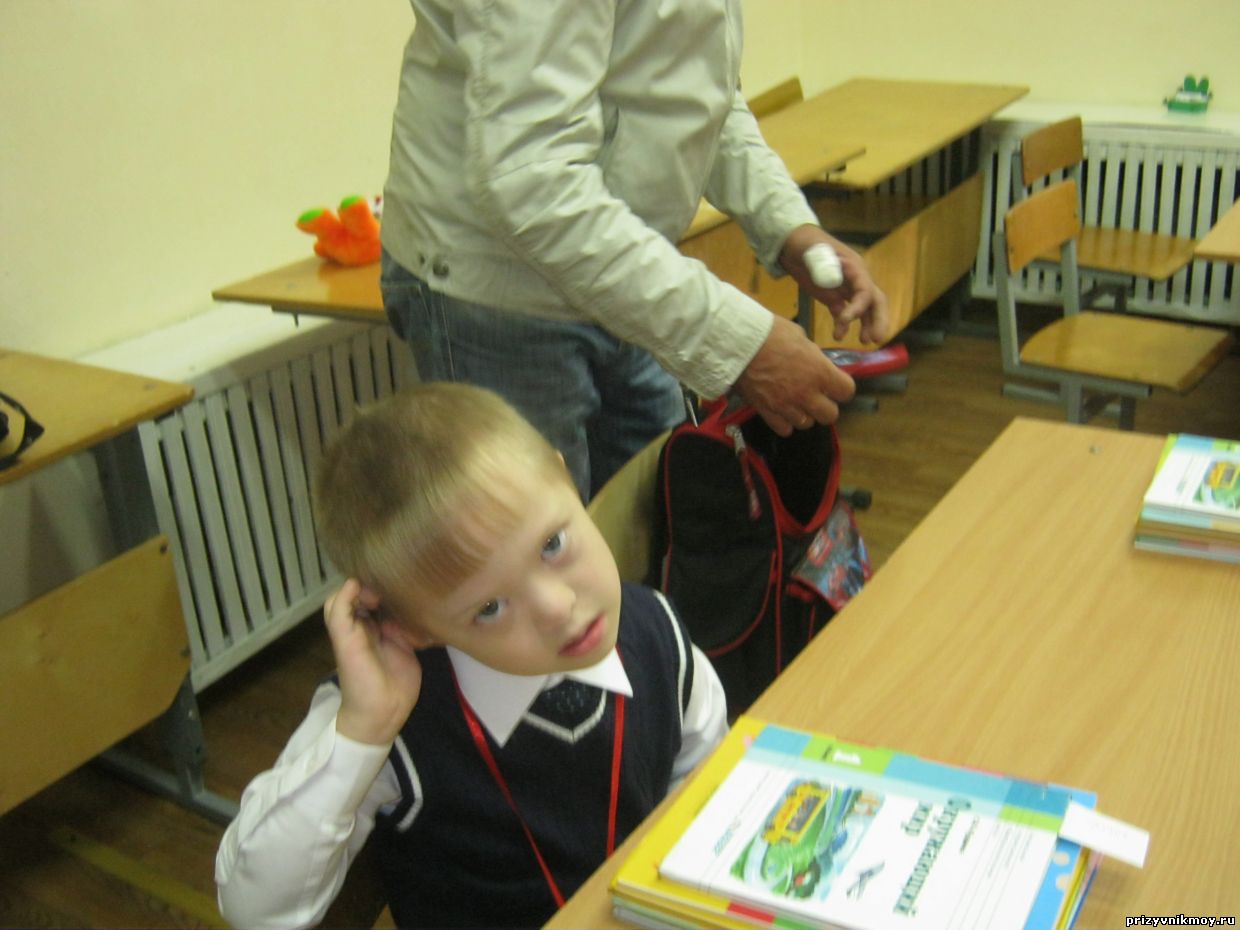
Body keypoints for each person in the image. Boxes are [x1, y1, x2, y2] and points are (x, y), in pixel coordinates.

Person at [215, 382, 728, 929]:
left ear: (566, 479)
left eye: (551, 544)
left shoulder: (657, 630)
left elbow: (704, 769)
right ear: (414, 628)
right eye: (489, 608)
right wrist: (364, 730)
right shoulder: (392, 719)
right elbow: (253, 910)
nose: (557, 608)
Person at [379, 0, 889, 499]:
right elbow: (530, 181)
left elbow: (699, 95)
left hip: (618, 270)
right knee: (542, 546)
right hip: (496, 292)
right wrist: (740, 344)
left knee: (658, 518)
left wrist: (788, 226)